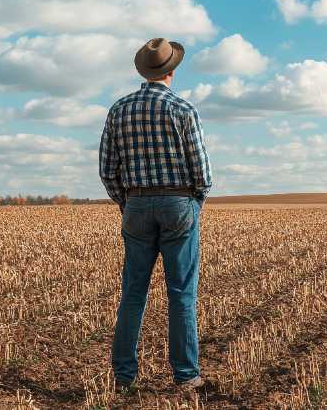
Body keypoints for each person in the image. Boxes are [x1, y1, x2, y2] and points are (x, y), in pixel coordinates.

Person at [99, 37, 212, 392]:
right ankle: (186, 376)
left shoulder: (119, 110)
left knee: (133, 292)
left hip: (135, 205)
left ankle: (123, 376)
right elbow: (203, 173)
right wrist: (193, 203)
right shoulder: (183, 110)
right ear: (171, 71)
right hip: (179, 204)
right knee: (181, 293)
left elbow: (107, 169)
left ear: (144, 72)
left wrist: (127, 201)